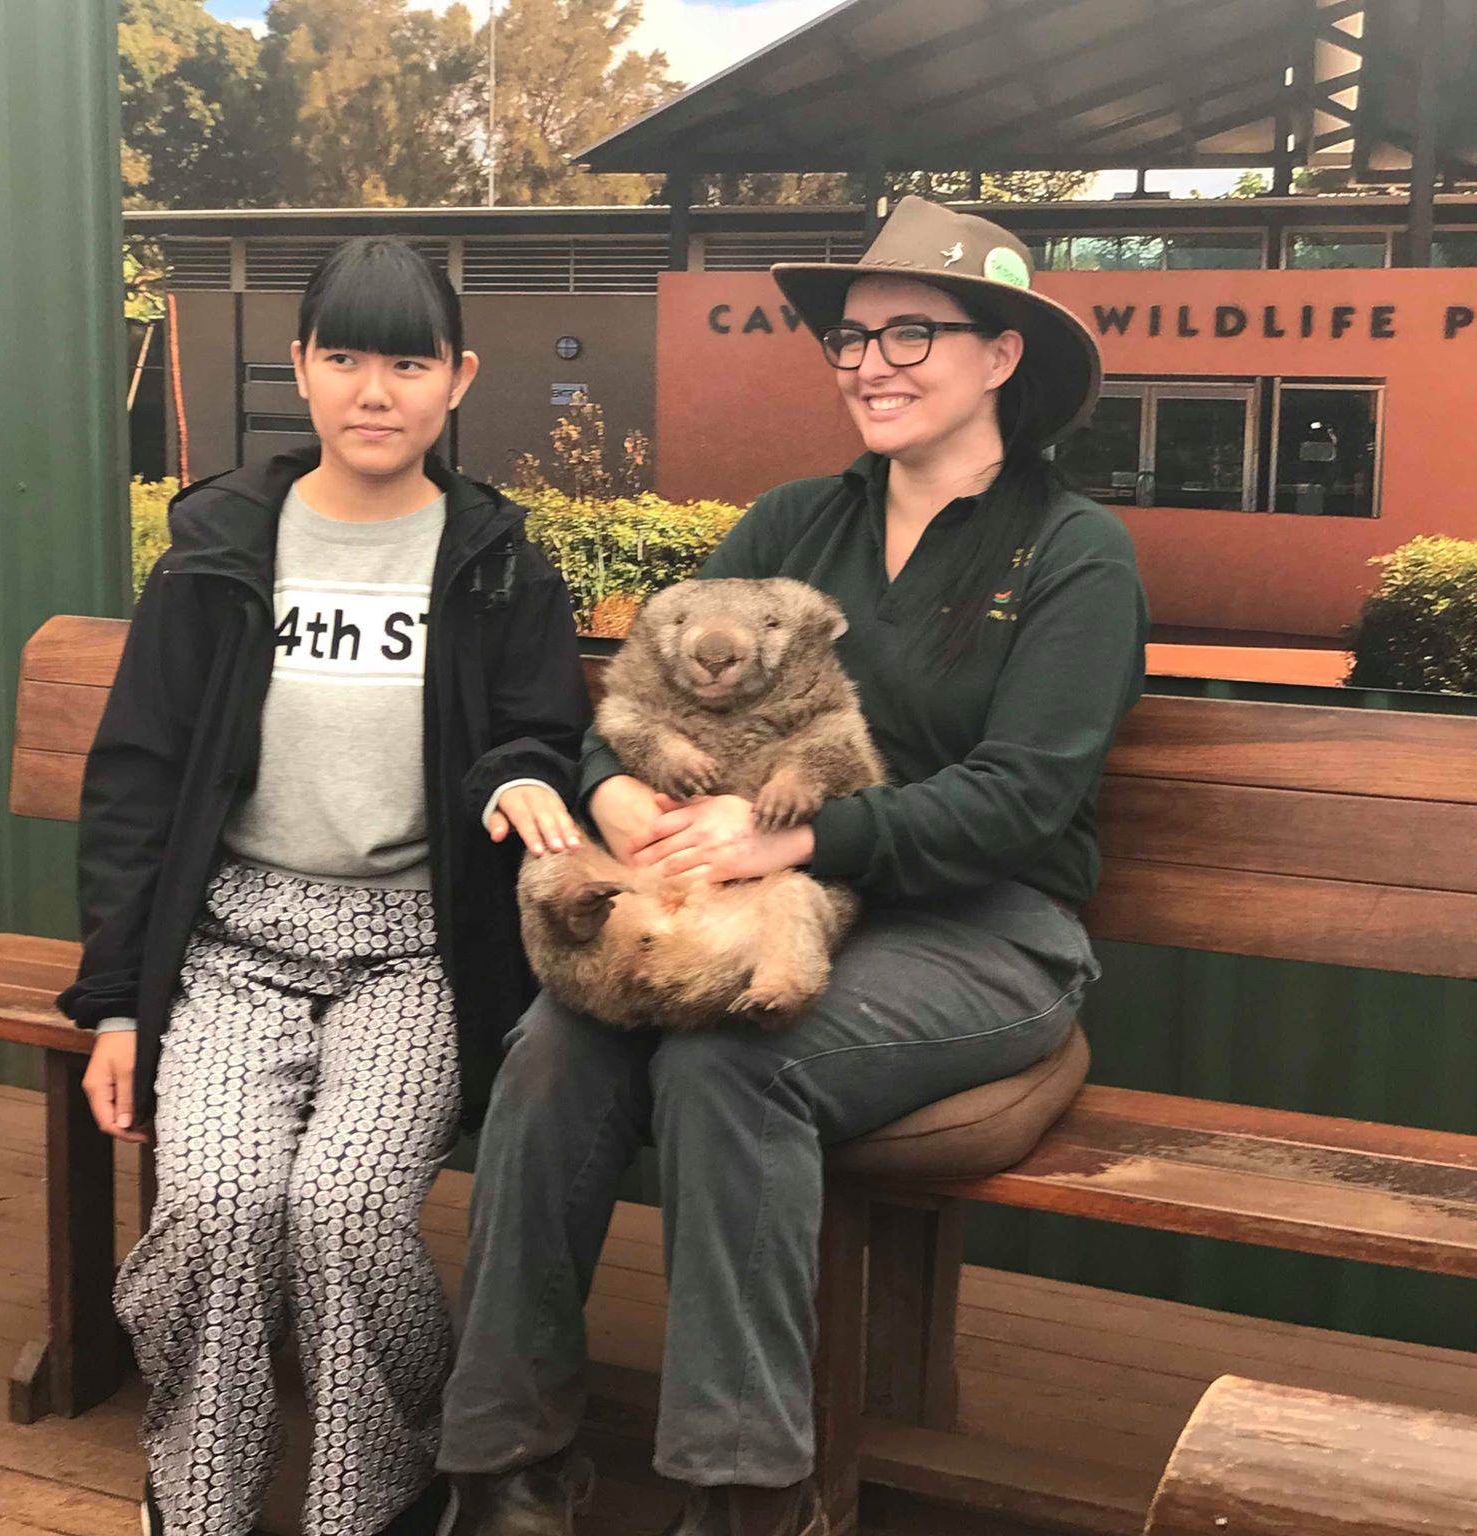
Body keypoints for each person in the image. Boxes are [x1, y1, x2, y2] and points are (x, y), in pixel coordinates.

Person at [435, 197, 1149, 1536]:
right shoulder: (790, 526)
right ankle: (502, 1464)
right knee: (551, 1052)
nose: (870, 363)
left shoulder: (1071, 554)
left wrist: (791, 836)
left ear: (1002, 354)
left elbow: (1025, 798)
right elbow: (642, 693)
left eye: (910, 334)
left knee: (733, 1063)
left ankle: (749, 1495)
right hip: (753, 899)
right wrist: (616, 791)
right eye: (851, 339)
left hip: (983, 930)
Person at [57, 236, 591, 1536]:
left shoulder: (498, 564)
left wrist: (524, 777)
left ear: (458, 378)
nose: (374, 390)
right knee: (220, 1203)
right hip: (234, 949)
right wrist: (118, 1005)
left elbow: (538, 728)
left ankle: (378, 1491)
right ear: (300, 368)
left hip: (416, 956)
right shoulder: (219, 552)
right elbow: (136, 778)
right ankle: (197, 1494)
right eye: (344, 356)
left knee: (345, 1213)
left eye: (408, 362)